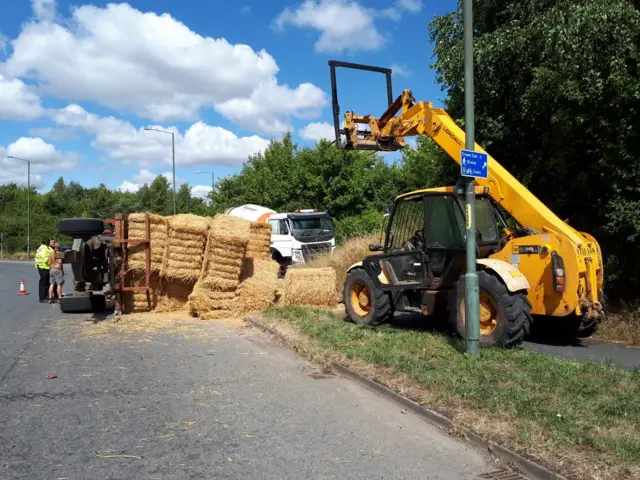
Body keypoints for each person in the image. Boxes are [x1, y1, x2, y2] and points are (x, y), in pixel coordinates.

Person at [35, 238, 51, 303]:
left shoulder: (40, 248)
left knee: (45, 282)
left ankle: (45, 296)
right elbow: (46, 259)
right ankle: (42, 297)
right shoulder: (44, 249)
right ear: (47, 242)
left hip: (40, 266)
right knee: (44, 283)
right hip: (44, 267)